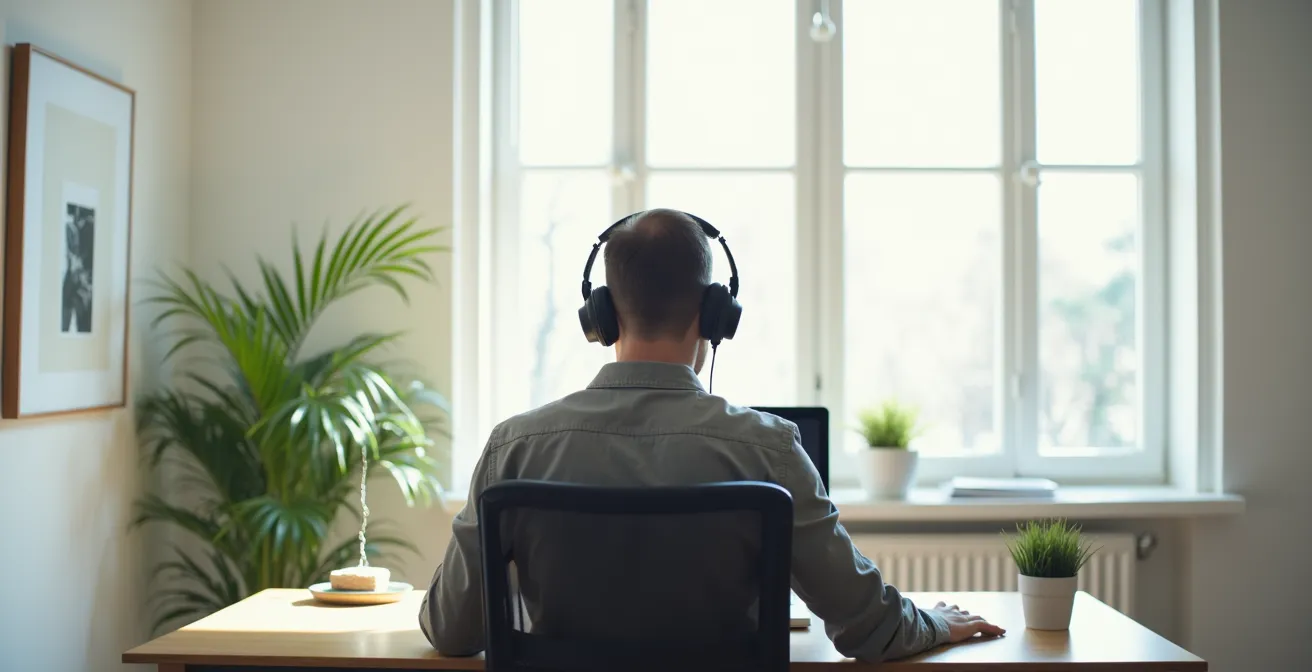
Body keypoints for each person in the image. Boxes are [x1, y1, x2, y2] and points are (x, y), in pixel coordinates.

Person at [419, 209, 1004, 661]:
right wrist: (933, 621)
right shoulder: (770, 449)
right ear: (714, 313)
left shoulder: (514, 448)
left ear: (600, 317)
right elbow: (869, 628)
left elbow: (450, 631)